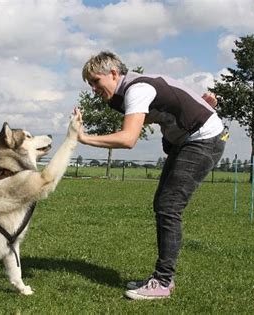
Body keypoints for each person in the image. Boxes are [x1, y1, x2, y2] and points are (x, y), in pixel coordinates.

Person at [75, 51, 227, 300]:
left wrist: (83, 138)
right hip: (189, 139)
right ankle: (161, 278)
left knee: (169, 206)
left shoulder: (137, 89)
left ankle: (163, 282)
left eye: (95, 81)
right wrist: (199, 105)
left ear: (113, 73)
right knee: (163, 204)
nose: (93, 89)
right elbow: (171, 99)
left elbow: (128, 138)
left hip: (204, 139)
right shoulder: (126, 93)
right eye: (90, 84)